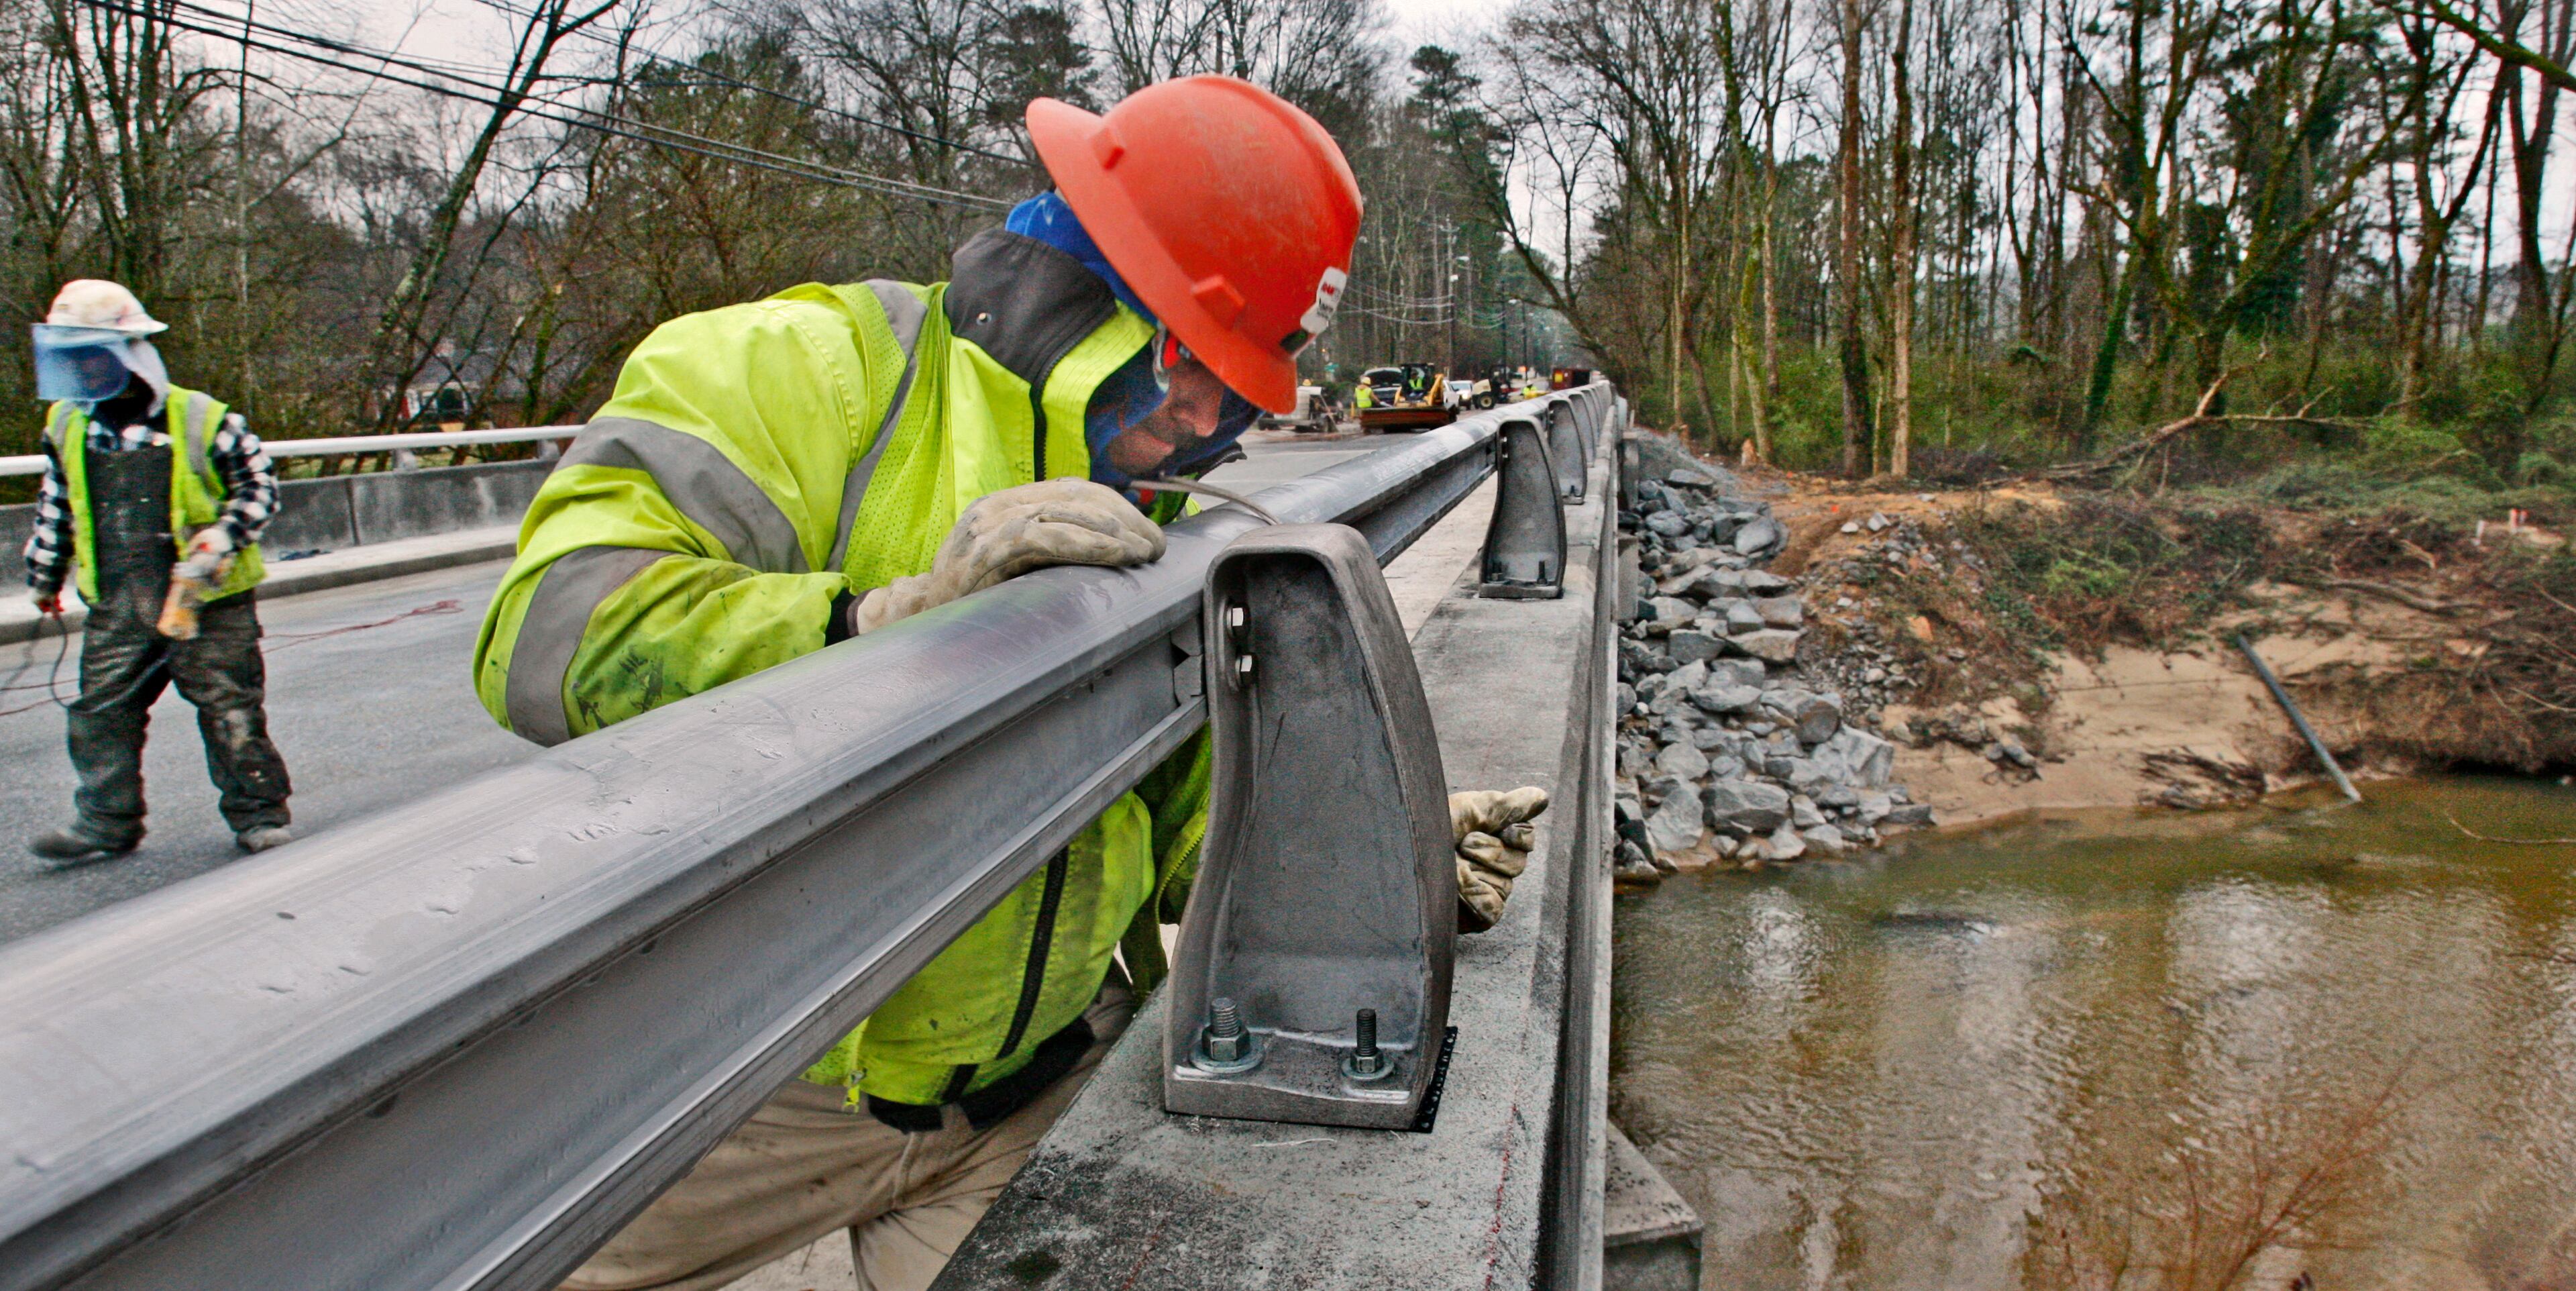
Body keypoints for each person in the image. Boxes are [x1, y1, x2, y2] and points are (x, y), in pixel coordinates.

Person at [470, 77, 1542, 1291]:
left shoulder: (1158, 490)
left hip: (1026, 1098)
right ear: (1088, 281)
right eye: (1192, 363)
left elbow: (1169, 814)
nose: (1208, 413)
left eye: (1241, 381)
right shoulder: (802, 373)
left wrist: (1363, 853)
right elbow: (545, 641)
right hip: (737, 1097)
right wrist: (879, 626)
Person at [22, 279, 294, 864]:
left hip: (207, 602)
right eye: (73, 360)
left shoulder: (202, 418)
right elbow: (57, 506)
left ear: (128, 353)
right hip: (119, 601)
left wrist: (221, 538)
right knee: (100, 713)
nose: (84, 371)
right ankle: (106, 821)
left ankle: (259, 814)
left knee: (230, 708)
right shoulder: (69, 424)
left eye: (93, 356)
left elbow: (259, 488)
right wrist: (45, 577)